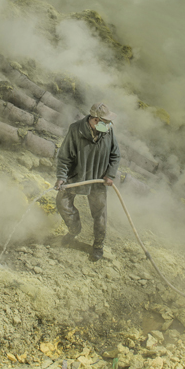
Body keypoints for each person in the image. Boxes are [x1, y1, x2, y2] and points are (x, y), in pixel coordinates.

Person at [54, 102, 121, 261]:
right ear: (95, 120)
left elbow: (115, 155)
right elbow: (64, 157)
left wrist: (110, 175)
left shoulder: (107, 132)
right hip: (76, 177)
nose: (109, 124)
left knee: (100, 214)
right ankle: (74, 230)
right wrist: (62, 176)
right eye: (106, 122)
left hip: (98, 180)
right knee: (62, 202)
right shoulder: (75, 129)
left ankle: (98, 245)